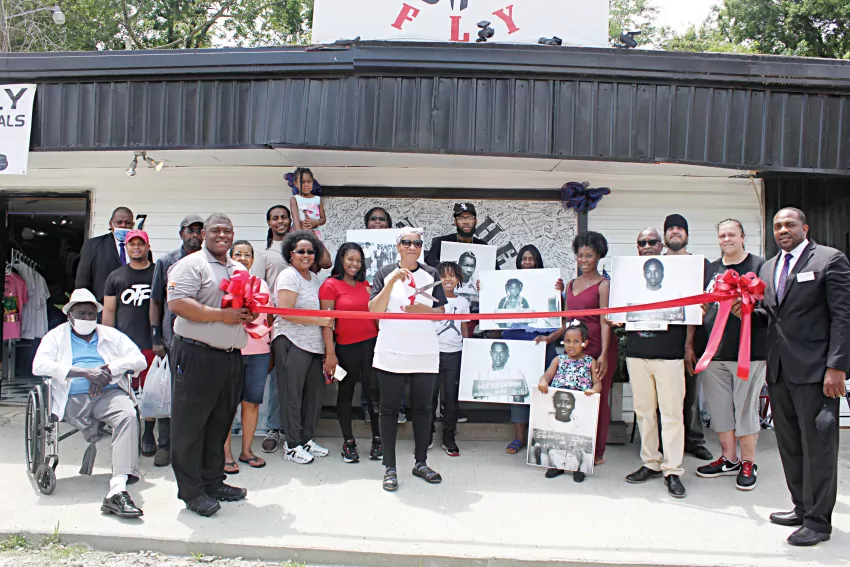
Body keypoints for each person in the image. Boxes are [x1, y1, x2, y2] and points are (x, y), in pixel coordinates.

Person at [756, 207, 850, 546]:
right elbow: (772, 316)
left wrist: (837, 366)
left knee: (818, 447)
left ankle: (819, 523)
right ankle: (801, 507)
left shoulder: (829, 260)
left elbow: (843, 316)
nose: (783, 230)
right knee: (790, 445)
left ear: (804, 228)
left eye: (789, 224)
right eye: (777, 225)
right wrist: (744, 311)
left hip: (816, 372)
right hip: (780, 370)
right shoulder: (768, 267)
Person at [32, 289, 148, 518]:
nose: (87, 318)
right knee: (100, 410)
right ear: (70, 315)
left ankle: (118, 488)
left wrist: (107, 371)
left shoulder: (110, 335)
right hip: (72, 398)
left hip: (107, 393)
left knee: (127, 415)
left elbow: (139, 360)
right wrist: (84, 373)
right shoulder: (56, 336)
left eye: (91, 314)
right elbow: (39, 365)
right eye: (81, 314)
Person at [167, 213, 254, 517]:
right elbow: (178, 304)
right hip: (196, 354)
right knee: (191, 425)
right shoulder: (191, 265)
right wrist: (222, 316)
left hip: (230, 356)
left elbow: (243, 306)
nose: (222, 235)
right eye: (216, 230)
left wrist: (248, 313)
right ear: (204, 233)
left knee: (219, 423)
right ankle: (191, 492)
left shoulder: (238, 268)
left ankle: (213, 481)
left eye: (227, 230)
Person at [369, 228, 447, 492]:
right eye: (407, 242)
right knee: (389, 409)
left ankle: (420, 462)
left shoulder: (431, 273)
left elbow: (441, 311)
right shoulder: (384, 272)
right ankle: (389, 468)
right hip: (391, 349)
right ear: (398, 246)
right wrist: (391, 282)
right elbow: (374, 310)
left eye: (417, 243)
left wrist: (426, 310)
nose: (412, 247)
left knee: (423, 408)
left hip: (424, 350)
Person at [696, 219, 767, 491]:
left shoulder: (760, 266)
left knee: (746, 408)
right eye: (722, 235)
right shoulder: (711, 270)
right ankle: (729, 458)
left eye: (731, 234)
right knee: (719, 409)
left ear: (742, 237)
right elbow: (703, 302)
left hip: (748, 352)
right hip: (714, 352)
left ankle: (749, 462)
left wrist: (749, 311)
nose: (726, 239)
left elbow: (770, 306)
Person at [622, 228, 688, 499]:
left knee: (672, 414)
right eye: (642, 242)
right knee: (644, 412)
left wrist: (689, 346)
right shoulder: (628, 283)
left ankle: (672, 470)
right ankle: (650, 462)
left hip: (669, 356)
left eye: (652, 242)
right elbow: (618, 313)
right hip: (637, 354)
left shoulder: (679, 280)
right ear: (637, 248)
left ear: (662, 246)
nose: (647, 245)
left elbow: (692, 315)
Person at [542, 231, 618, 466]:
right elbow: (566, 321)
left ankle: (597, 452)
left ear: (599, 257)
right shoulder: (571, 284)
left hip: (598, 348)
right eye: (580, 255)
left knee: (597, 398)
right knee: (572, 398)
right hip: (574, 350)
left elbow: (605, 321)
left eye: (589, 255)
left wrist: (603, 354)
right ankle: (573, 448)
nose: (583, 260)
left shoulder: (604, 285)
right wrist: (550, 337)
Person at [148, 214, 204, 467]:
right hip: (173, 340)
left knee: (197, 396)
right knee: (170, 394)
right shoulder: (166, 261)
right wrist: (156, 337)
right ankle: (165, 445)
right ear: (181, 233)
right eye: (190, 230)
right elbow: (155, 301)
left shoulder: (210, 260)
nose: (195, 235)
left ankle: (192, 447)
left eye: (199, 230)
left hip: (203, 338)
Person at [273, 230, 333, 465]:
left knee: (314, 397)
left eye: (310, 251)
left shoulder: (314, 279)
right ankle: (291, 445)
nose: (306, 255)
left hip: (313, 345)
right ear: (291, 254)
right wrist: (320, 320)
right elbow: (286, 312)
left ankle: (306, 439)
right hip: (292, 341)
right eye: (301, 251)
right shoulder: (289, 276)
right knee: (292, 396)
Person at [319, 242, 382, 463]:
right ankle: (349, 442)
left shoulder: (366, 285)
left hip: (371, 347)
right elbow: (327, 322)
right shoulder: (330, 285)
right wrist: (330, 353)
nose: (354, 264)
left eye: (358, 260)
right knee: (345, 394)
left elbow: (376, 316)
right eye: (350, 259)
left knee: (374, 394)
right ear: (341, 260)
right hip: (345, 349)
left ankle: (377, 439)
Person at [496, 244, 561, 456]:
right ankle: (519, 437)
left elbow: (561, 316)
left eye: (531, 259)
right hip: (516, 343)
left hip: (541, 342)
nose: (527, 262)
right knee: (517, 389)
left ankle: (542, 436)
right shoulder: (506, 287)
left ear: (537, 261)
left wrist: (558, 292)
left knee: (544, 388)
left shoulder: (550, 285)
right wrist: (485, 291)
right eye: (523, 259)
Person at [101, 229, 158, 462]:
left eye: (140, 244)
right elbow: (109, 311)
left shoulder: (157, 273)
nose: (136, 247)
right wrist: (106, 343)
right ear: (126, 248)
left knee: (151, 392)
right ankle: (130, 431)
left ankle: (148, 434)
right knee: (127, 392)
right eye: (132, 244)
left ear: (147, 247)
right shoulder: (115, 276)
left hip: (152, 344)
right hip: (124, 346)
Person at [663, 214, 713, 461]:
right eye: (670, 228)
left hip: (693, 338)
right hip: (662, 340)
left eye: (680, 228)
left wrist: (689, 344)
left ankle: (694, 440)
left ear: (687, 235)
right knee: (665, 396)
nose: (675, 231)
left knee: (691, 394)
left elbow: (705, 303)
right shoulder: (656, 263)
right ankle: (665, 442)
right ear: (664, 236)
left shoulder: (701, 265)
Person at [223, 241, 272, 474]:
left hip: (258, 352)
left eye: (247, 255)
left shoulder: (261, 284)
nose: (243, 258)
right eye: (238, 254)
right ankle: (225, 455)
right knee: (227, 405)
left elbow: (268, 316)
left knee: (251, 403)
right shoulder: (223, 284)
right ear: (230, 257)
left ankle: (246, 451)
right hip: (230, 351)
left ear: (253, 259)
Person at [537, 321, 601, 482]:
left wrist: (593, 391)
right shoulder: (559, 360)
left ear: (585, 343)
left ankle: (578, 468)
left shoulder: (590, 361)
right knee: (558, 436)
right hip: (559, 408)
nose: (571, 345)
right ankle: (557, 465)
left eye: (576, 341)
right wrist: (543, 381)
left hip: (580, 406)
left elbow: (597, 383)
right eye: (567, 341)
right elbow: (547, 375)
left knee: (577, 438)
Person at [253, 204, 292, 455]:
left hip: (305, 324)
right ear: (269, 223)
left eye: (284, 217)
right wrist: (264, 327)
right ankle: (274, 428)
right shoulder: (264, 255)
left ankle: (297, 430)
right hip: (276, 323)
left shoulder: (302, 247)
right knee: (277, 379)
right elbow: (258, 292)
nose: (280, 221)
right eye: (275, 218)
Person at [431, 261, 469, 456]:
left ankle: (449, 434)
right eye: (443, 275)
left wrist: (468, 349)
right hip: (432, 353)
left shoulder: (463, 302)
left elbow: (464, 327)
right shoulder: (430, 300)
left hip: (454, 353)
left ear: (458, 279)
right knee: (429, 396)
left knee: (451, 396)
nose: (448, 279)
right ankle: (427, 432)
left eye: (452, 275)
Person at [75, 207, 136, 302]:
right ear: (111, 223)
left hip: (133, 305)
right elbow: (82, 282)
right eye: (119, 222)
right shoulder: (93, 245)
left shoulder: (141, 248)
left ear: (133, 225)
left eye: (127, 223)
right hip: (102, 305)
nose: (123, 225)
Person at [424, 202, 487, 268]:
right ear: (455, 222)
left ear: (475, 221)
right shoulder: (441, 243)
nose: (465, 222)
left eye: (470, 218)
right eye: (461, 218)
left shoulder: (483, 247)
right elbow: (429, 268)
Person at [289, 168, 326, 239]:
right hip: (300, 232)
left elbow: (323, 219)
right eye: (302, 182)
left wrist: (315, 222)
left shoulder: (317, 199)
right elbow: (296, 218)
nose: (306, 184)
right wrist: (300, 236)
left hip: (315, 232)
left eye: (309, 182)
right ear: (295, 183)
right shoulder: (294, 199)